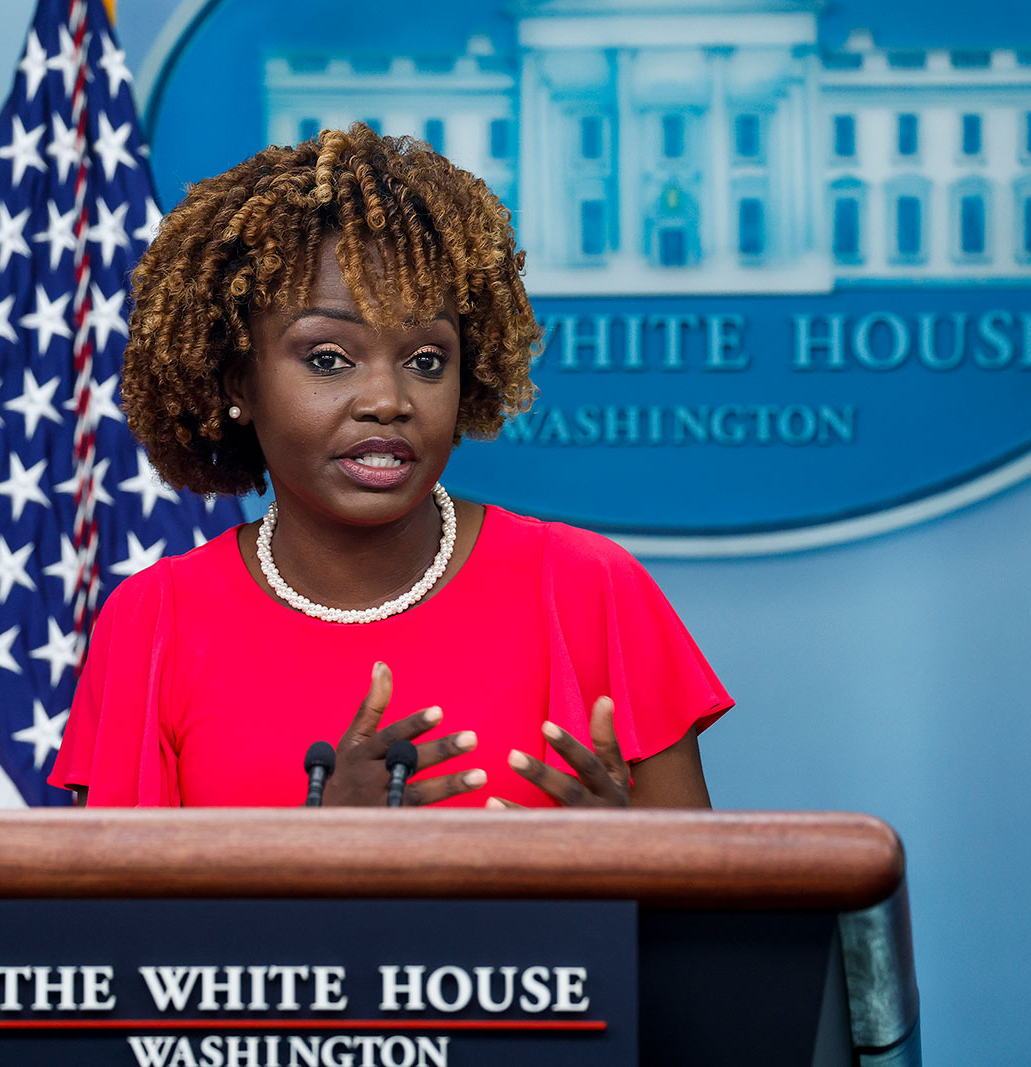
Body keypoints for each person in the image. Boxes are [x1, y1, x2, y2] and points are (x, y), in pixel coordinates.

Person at [49, 125, 731, 809]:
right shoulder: (154, 624)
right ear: (236, 382)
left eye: (426, 360)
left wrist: (623, 871)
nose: (388, 400)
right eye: (327, 358)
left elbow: (711, 911)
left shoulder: (591, 592)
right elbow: (120, 917)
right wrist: (326, 851)